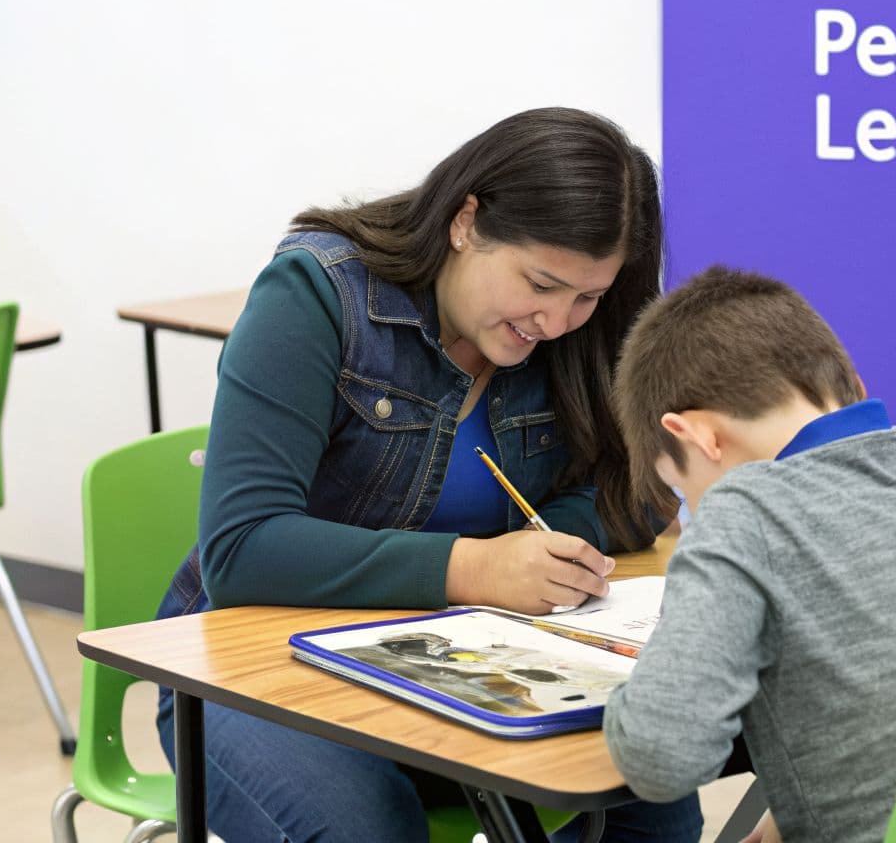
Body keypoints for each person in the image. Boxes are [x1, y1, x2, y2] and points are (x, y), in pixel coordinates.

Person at [152, 107, 700, 842]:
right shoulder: (318, 295)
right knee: (364, 828)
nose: (557, 319)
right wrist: (473, 568)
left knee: (653, 789)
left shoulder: (573, 327)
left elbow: (644, 485)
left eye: (587, 297)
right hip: (251, 669)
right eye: (540, 283)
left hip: (462, 656)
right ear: (466, 221)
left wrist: (547, 558)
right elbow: (244, 551)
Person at [603, 267, 896, 843]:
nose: (693, 506)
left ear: (698, 436)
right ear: (852, 385)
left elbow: (661, 758)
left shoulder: (744, 510)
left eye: (683, 487)